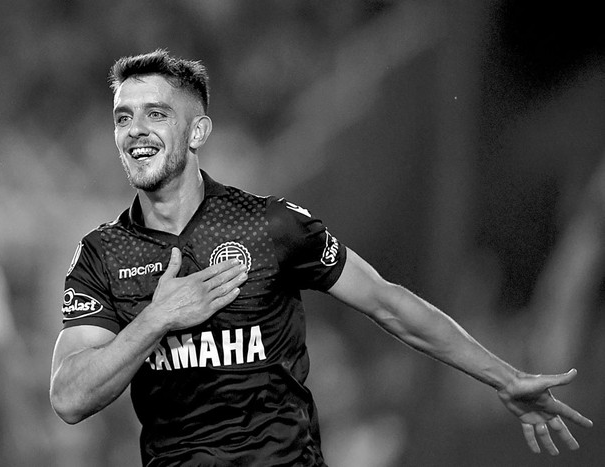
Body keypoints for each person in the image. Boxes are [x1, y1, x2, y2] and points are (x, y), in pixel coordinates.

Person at [49, 49, 593, 465]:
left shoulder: (271, 225)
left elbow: (386, 302)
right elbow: (71, 398)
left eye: (155, 114)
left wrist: (503, 377)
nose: (135, 130)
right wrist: (157, 317)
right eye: (123, 117)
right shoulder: (102, 253)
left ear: (198, 131)